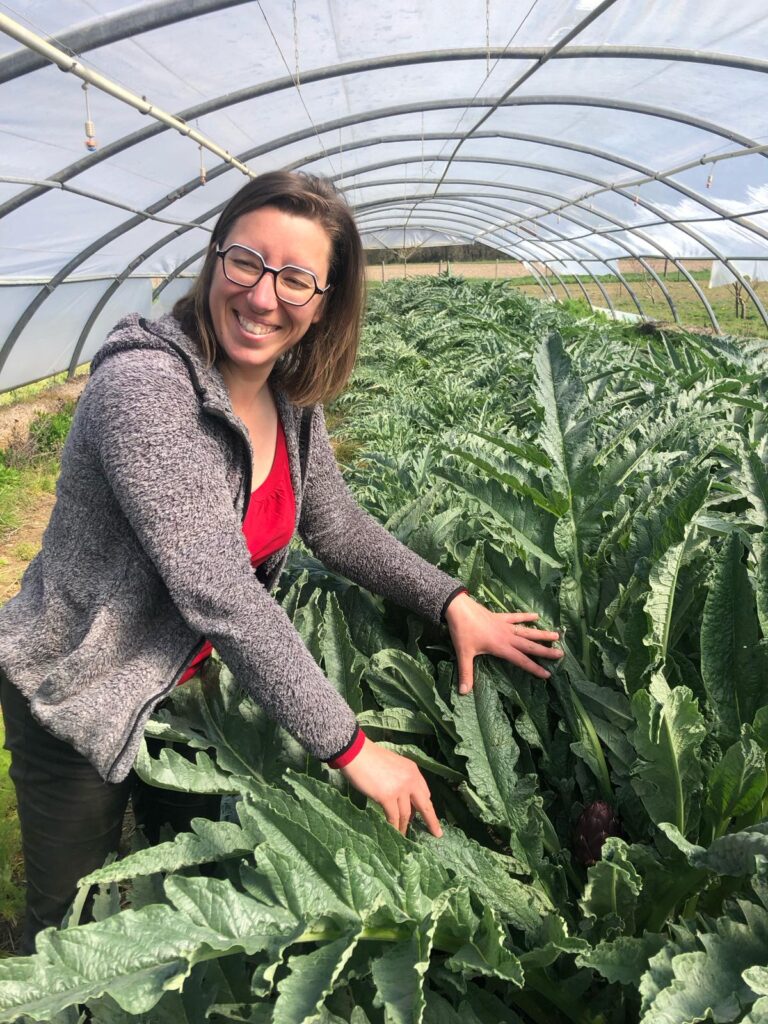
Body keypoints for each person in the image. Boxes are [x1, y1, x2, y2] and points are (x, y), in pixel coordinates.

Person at [0, 171, 563, 955]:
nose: (264, 297)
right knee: (67, 928)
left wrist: (452, 603)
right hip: (82, 681)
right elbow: (220, 591)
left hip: (193, 686)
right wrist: (353, 750)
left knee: (185, 892)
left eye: (296, 278)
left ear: (325, 300)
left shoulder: (291, 397)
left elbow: (336, 527)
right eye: (247, 263)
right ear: (214, 260)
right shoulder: (146, 387)